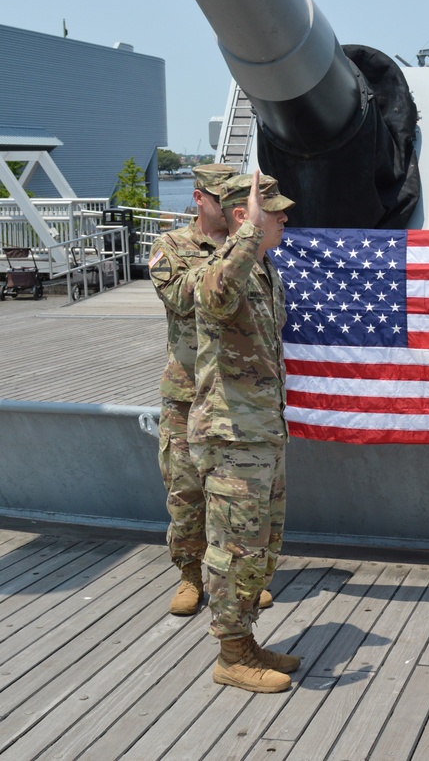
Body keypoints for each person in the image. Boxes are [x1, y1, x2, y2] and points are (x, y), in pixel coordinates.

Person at [187, 170, 298, 693]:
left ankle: (246, 640)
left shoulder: (264, 271)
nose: (282, 217)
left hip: (262, 433)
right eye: (272, 210)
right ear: (242, 217)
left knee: (262, 546)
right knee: (235, 548)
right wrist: (248, 234)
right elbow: (210, 298)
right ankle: (231, 655)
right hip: (232, 438)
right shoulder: (220, 270)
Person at [149, 163, 271, 617]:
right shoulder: (172, 246)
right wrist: (235, 252)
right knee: (186, 494)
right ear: (200, 198)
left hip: (234, 396)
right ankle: (188, 575)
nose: (234, 205)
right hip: (187, 395)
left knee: (236, 498)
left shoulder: (255, 250)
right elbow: (184, 297)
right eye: (223, 198)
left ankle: (240, 580)